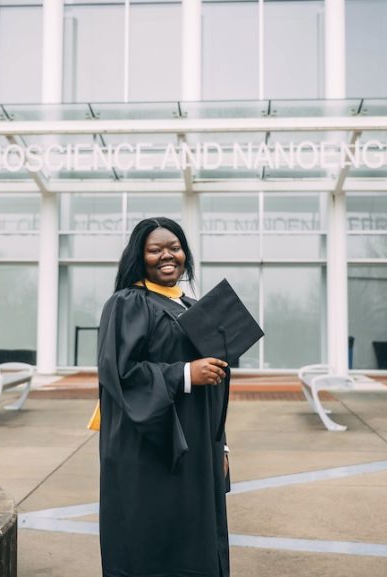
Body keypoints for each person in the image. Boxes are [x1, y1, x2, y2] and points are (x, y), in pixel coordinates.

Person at [97, 217, 231, 577]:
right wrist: (187, 373)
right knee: (156, 540)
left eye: (175, 247)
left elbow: (214, 373)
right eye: (155, 250)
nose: (167, 256)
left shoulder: (190, 305)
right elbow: (121, 374)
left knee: (196, 535)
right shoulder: (128, 303)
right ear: (139, 257)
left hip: (199, 442)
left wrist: (222, 444)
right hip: (151, 447)